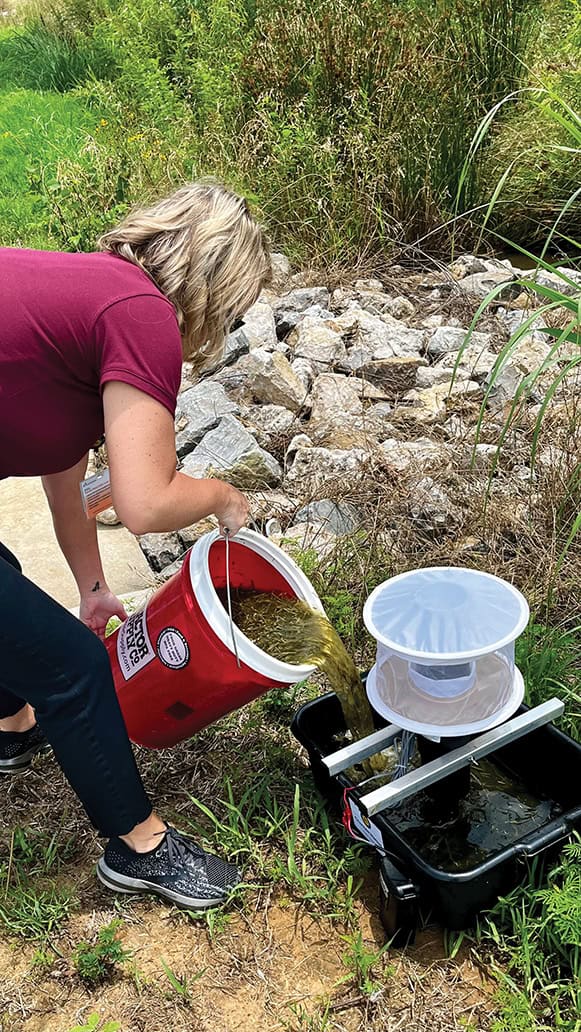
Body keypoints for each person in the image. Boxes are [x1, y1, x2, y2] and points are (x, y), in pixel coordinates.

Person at [0, 180, 271, 909]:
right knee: (72, 667)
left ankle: (9, 726)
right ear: (219, 281)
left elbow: (65, 479)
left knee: (8, 587)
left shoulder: (83, 292)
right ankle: (139, 847)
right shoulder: (141, 314)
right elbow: (147, 504)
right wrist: (222, 496)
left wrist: (92, 587)